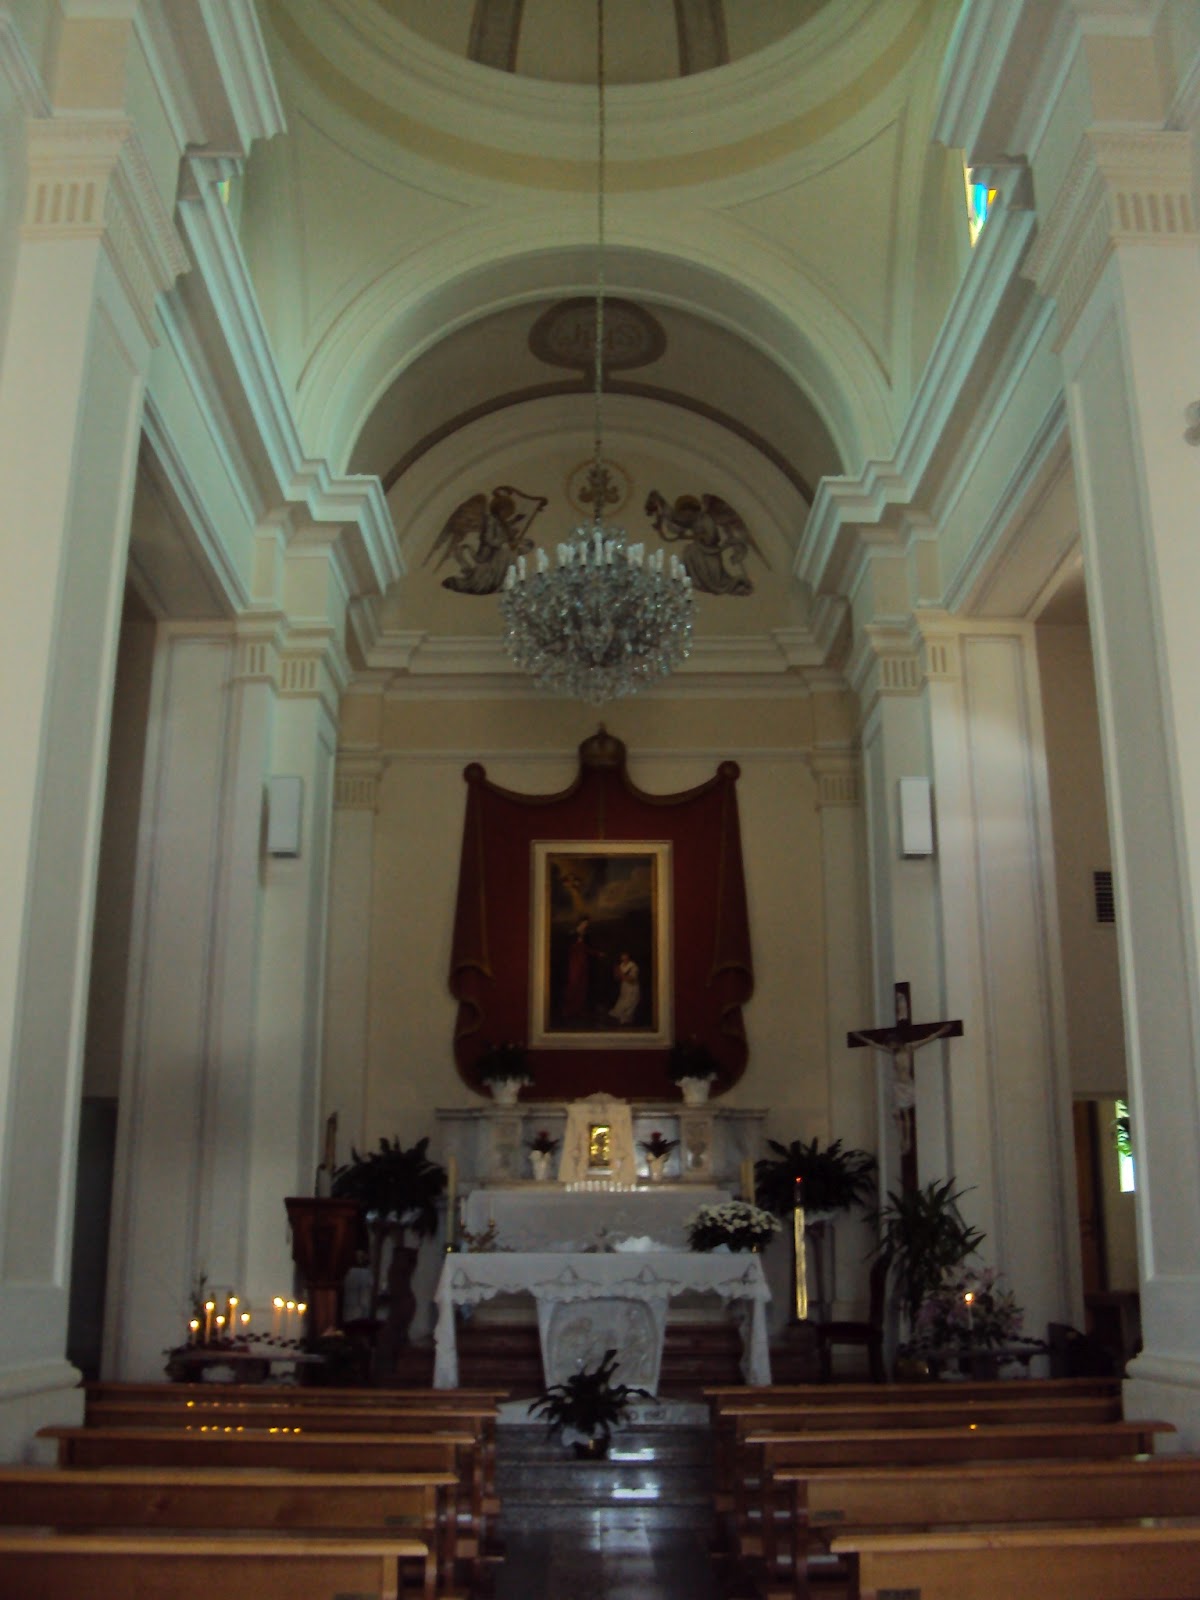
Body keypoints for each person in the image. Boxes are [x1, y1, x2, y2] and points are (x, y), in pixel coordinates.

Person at [561, 917, 600, 1023]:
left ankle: (579, 1010)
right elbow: (567, 949)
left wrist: (597, 953)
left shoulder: (586, 935)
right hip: (574, 964)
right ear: (579, 923)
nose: (586, 926)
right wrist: (577, 944)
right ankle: (569, 1010)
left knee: (583, 986)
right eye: (584, 924)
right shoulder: (572, 934)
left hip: (584, 964)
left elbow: (588, 949)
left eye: (587, 924)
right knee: (573, 985)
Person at [609, 952, 639, 1025]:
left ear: (628, 956)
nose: (624, 958)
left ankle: (626, 1020)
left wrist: (621, 974)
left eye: (625, 956)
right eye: (622, 956)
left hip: (632, 987)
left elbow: (631, 980)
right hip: (624, 987)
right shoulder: (621, 965)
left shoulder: (633, 966)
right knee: (622, 1001)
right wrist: (616, 972)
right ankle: (620, 1019)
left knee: (631, 1002)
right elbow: (617, 978)